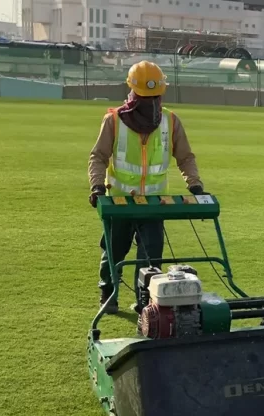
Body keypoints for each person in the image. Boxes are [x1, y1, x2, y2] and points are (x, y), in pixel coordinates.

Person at [87, 60, 209, 314]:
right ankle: (108, 294)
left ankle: (144, 303)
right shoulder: (114, 121)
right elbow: (98, 156)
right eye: (146, 98)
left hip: (155, 204)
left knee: (151, 258)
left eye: (155, 98)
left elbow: (185, 157)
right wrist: (97, 186)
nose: (151, 104)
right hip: (119, 203)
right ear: (133, 94)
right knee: (113, 252)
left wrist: (195, 185)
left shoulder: (170, 121)